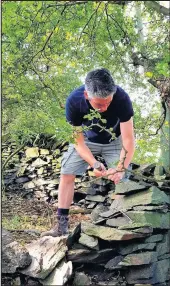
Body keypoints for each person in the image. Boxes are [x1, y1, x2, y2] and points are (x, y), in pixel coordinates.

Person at [41, 68, 135, 237]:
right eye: (99, 104)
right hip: (86, 142)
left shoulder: (122, 98)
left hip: (115, 142)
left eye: (108, 102)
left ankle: (123, 224)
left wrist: (120, 167)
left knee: (123, 178)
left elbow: (128, 140)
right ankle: (62, 226)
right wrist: (94, 164)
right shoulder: (74, 102)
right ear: (86, 95)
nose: (105, 108)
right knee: (67, 172)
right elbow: (78, 142)